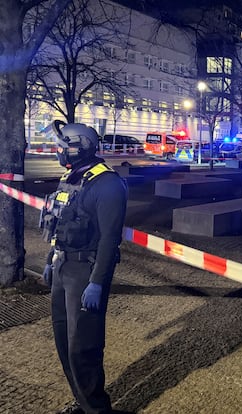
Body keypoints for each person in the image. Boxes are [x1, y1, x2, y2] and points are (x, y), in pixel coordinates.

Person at [40, 121, 128, 414]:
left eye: (63, 147)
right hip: (63, 267)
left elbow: (109, 239)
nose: (59, 152)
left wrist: (98, 281)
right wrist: (51, 258)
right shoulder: (73, 178)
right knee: (64, 342)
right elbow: (60, 222)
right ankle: (83, 402)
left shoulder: (108, 184)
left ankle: (97, 410)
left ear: (80, 147)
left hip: (85, 272)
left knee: (84, 347)